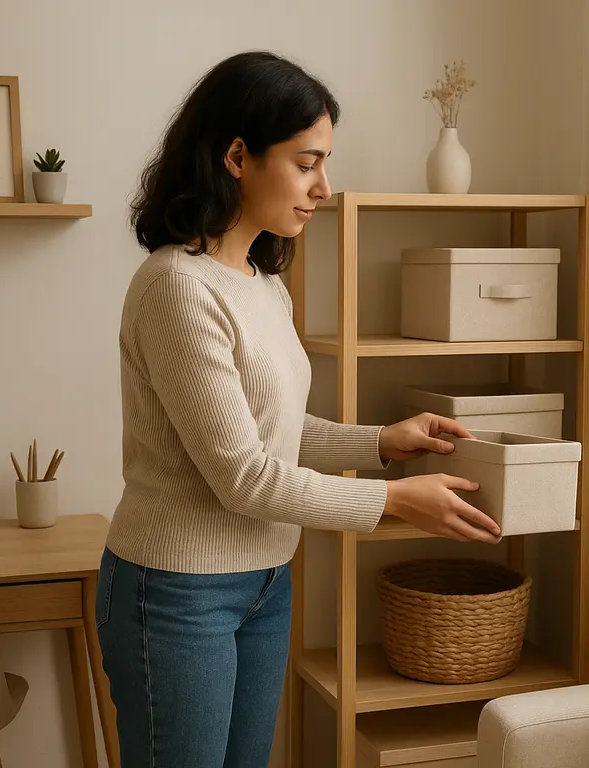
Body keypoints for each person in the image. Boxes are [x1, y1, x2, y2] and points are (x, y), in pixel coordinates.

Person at [96, 50, 501, 768]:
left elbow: (276, 435)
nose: (325, 186)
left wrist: (381, 440)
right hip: (179, 595)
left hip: (265, 583)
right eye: (308, 162)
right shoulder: (175, 289)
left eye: (326, 163)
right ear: (237, 156)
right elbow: (245, 477)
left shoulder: (263, 282)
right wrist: (396, 501)